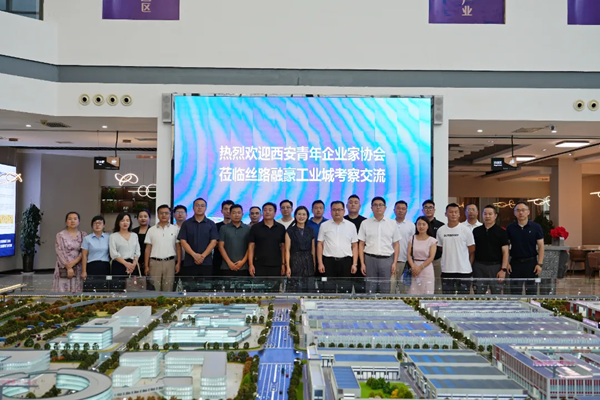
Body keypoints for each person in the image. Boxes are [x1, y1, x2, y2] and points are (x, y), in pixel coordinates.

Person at [358, 197, 400, 293]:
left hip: (387, 260)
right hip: (370, 259)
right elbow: (361, 244)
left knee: (385, 289)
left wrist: (394, 262)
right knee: (370, 289)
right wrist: (362, 263)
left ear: (385, 208)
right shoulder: (365, 223)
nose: (378, 207)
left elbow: (396, 244)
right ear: (371, 208)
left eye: (381, 205)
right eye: (375, 205)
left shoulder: (392, 223)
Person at [506, 201, 544, 295]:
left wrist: (539, 264)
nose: (521, 213)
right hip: (515, 263)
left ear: (528, 212)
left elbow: (541, 246)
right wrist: (506, 263)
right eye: (518, 210)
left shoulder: (536, 227)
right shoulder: (510, 228)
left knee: (532, 292)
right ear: (514, 213)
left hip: (531, 263)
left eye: (523, 210)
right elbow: (506, 246)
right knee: (515, 292)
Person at [437, 203, 475, 294]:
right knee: (447, 297)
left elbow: (472, 249)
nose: (453, 214)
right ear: (446, 214)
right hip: (447, 269)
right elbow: (440, 248)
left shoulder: (465, 230)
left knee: (463, 298)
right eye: (451, 212)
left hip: (463, 270)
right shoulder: (441, 230)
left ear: (459, 214)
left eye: (455, 212)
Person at [178, 198, 219, 280]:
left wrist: (202, 256)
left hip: (206, 262)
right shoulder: (186, 224)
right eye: (197, 205)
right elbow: (183, 241)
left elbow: (213, 242)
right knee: (189, 286)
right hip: (189, 262)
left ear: (206, 208)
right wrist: (194, 255)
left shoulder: (211, 224)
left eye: (202, 206)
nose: (199, 208)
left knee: (206, 286)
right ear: (193, 208)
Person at [472, 205, 509, 295]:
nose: (487, 216)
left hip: (495, 267)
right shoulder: (476, 231)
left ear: (495, 216)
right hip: (479, 266)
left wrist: (503, 269)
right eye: (485, 214)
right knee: (479, 293)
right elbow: (472, 250)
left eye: (490, 214)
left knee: (496, 293)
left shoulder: (501, 232)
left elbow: (505, 252)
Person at [144, 205, 181, 292]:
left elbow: (178, 247)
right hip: (155, 263)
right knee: (154, 289)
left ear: (170, 215)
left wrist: (178, 263)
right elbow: (148, 249)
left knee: (168, 289)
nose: (164, 215)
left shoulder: (175, 229)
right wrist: (146, 266)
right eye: (161, 213)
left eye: (166, 213)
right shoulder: (151, 230)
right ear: (158, 214)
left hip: (170, 263)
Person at [317, 201, 358, 278]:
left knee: (345, 284)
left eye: (339, 209)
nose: (337, 212)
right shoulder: (324, 225)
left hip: (346, 261)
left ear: (344, 211)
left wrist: (354, 264)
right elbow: (320, 244)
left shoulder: (351, 226)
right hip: (328, 261)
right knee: (328, 285)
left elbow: (355, 245)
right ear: (331, 211)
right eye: (334, 210)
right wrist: (320, 263)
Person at [248, 202, 286, 277]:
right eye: (265, 210)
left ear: (275, 213)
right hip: (259, 264)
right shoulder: (255, 227)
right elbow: (251, 246)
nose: (267, 212)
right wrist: (251, 264)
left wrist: (283, 264)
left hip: (276, 265)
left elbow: (283, 247)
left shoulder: (281, 228)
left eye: (270, 210)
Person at [53, 212, 87, 293]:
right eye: (70, 219)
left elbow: (84, 251)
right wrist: (68, 267)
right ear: (66, 222)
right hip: (63, 266)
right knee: (62, 291)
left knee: (77, 290)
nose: (72, 221)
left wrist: (74, 262)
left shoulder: (84, 235)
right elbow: (59, 252)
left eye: (75, 219)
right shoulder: (60, 235)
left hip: (78, 266)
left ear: (79, 221)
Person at [285, 206, 316, 290]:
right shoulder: (290, 231)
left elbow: (313, 249)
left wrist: (314, 263)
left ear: (307, 216)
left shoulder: (311, 230)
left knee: (309, 288)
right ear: (295, 215)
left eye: (304, 214)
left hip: (308, 262)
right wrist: (288, 267)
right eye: (299, 214)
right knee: (295, 288)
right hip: (295, 261)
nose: (301, 216)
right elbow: (287, 250)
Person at [109, 212, 141, 290]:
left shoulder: (134, 235)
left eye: (127, 220)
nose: (125, 223)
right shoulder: (113, 236)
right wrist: (126, 264)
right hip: (119, 265)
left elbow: (137, 252)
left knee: (132, 289)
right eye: (122, 220)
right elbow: (113, 253)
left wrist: (133, 265)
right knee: (118, 290)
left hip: (132, 265)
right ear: (118, 222)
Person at [407, 217, 437, 295]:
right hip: (414, 267)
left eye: (424, 224)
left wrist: (420, 268)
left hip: (426, 268)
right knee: (413, 292)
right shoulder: (412, 238)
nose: (421, 226)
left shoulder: (432, 240)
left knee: (427, 291)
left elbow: (431, 257)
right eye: (419, 224)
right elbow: (408, 254)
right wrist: (413, 267)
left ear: (428, 226)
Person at [219, 204, 251, 276]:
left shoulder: (248, 229)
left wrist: (242, 262)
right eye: (234, 213)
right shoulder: (223, 228)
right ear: (230, 214)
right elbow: (221, 246)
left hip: (244, 266)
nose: (236, 215)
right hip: (227, 266)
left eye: (239, 213)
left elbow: (250, 247)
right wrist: (229, 262)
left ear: (242, 214)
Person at [81, 215, 110, 291]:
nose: (97, 225)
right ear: (92, 226)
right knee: (91, 288)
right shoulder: (87, 238)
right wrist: (84, 271)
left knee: (104, 289)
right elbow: (84, 255)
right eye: (95, 223)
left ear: (104, 225)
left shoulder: (109, 237)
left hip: (105, 266)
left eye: (100, 223)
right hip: (92, 266)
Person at [392, 200, 416, 293]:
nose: (400, 211)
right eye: (398, 208)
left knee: (404, 289)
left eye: (403, 209)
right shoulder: (389, 223)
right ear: (394, 210)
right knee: (391, 287)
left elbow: (413, 244)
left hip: (405, 260)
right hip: (391, 260)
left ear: (406, 211)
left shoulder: (411, 225)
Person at [421, 200, 445, 288]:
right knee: (422, 285)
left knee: (437, 285)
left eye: (430, 207)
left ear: (434, 210)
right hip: (421, 260)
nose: (428, 209)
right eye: (426, 207)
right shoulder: (418, 224)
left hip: (436, 260)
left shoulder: (441, 226)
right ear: (422, 210)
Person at [214, 200, 234, 277]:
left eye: (230, 209)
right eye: (225, 209)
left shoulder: (239, 227)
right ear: (222, 211)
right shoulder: (215, 226)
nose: (228, 211)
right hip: (218, 259)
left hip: (234, 259)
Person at [132, 209, 151, 277]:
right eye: (140, 217)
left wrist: (147, 263)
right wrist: (136, 261)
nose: (143, 218)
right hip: (136, 262)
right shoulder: (133, 232)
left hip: (150, 262)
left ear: (149, 218)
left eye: (145, 216)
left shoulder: (152, 231)